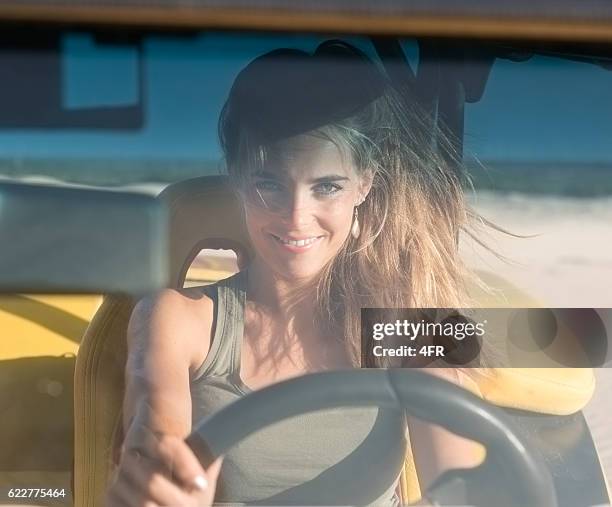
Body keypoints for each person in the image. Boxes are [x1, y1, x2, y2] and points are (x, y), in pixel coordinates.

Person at [105, 40, 483, 507]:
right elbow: (155, 424)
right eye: (269, 185)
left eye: (326, 187)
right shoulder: (178, 318)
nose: (296, 218)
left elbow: (463, 490)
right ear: (237, 178)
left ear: (364, 183)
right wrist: (158, 478)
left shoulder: (412, 324)